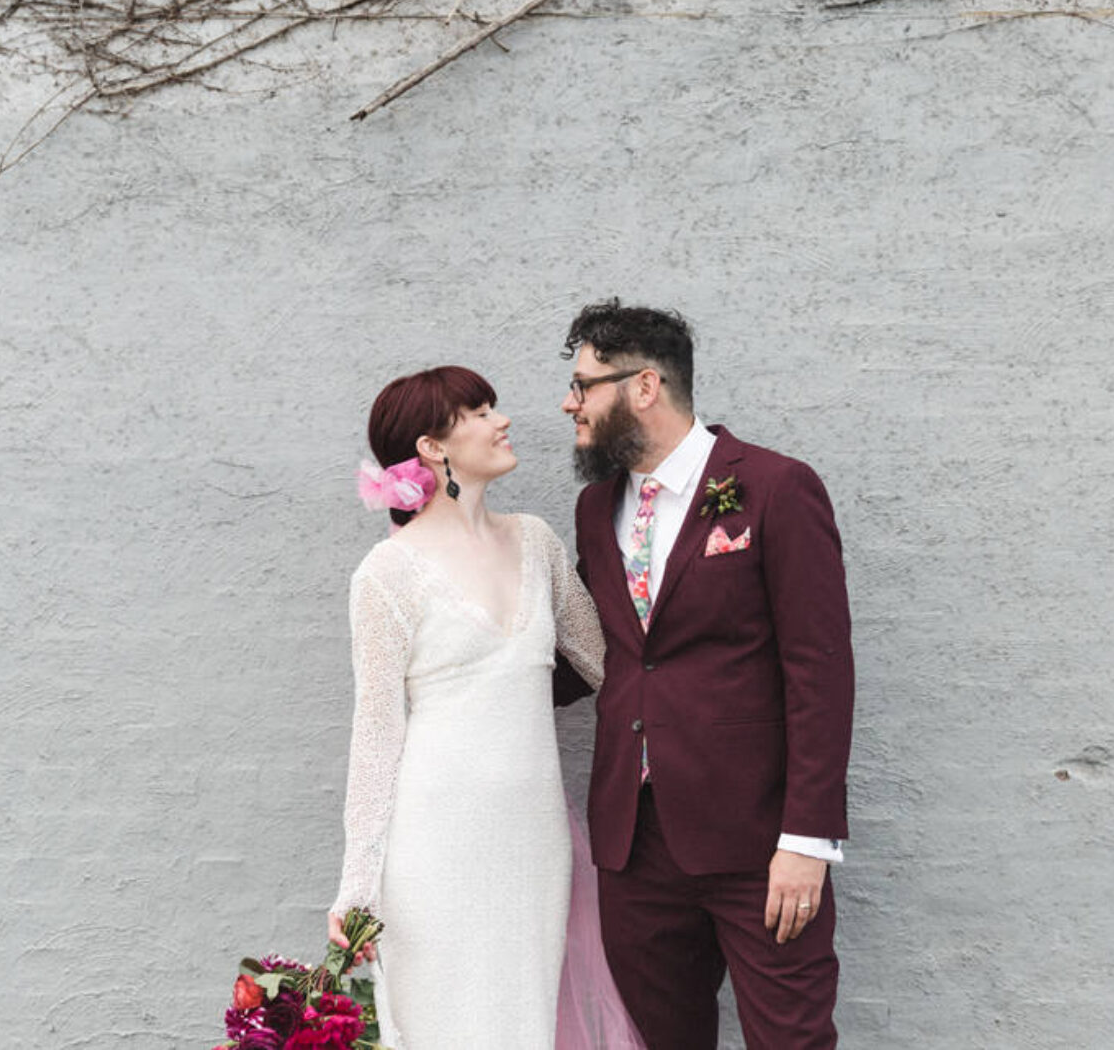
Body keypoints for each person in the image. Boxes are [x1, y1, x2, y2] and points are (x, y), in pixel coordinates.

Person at [554, 301, 856, 1050]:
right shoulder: (596, 508)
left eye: (584, 384)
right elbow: (600, 657)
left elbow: (820, 670)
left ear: (645, 386)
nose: (569, 402)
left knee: (792, 1039)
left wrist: (807, 840)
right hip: (633, 847)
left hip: (759, 841)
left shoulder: (777, 488)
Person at [326, 365, 637, 1050]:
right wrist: (357, 887)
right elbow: (376, 737)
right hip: (433, 847)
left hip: (532, 843)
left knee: (523, 1025)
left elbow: (613, 666)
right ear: (434, 446)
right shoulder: (387, 575)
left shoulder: (536, 541)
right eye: (479, 411)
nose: (502, 420)